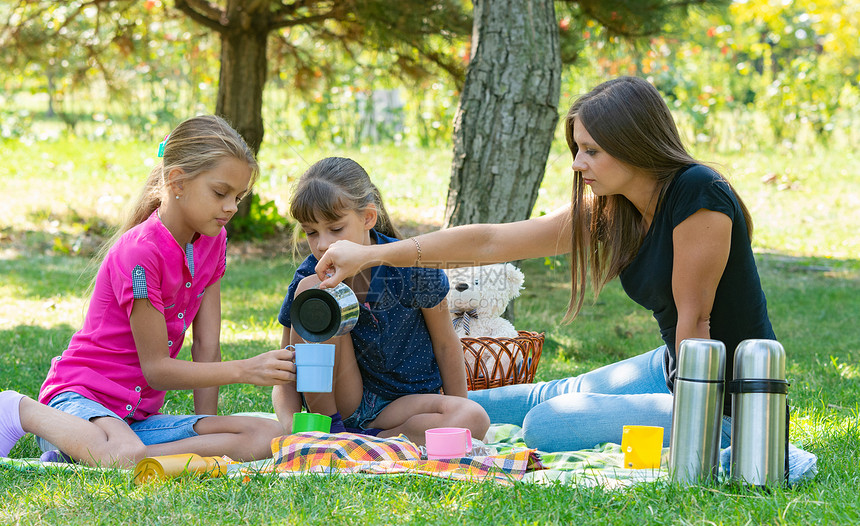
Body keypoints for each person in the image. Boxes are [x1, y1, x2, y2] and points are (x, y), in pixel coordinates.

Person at [312, 77, 777, 453]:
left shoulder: (698, 192)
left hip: (724, 402)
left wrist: (693, 430)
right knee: (484, 406)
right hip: (671, 366)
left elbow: (696, 323)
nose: (578, 163)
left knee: (548, 424)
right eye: (577, 148)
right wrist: (374, 252)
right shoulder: (617, 208)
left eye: (592, 150)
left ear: (634, 143)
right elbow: (494, 241)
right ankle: (370, 432)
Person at [0, 115, 292, 468]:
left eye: (238, 196)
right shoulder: (140, 253)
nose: (231, 207)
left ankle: (87, 453)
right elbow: (157, 370)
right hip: (78, 400)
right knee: (126, 452)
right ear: (177, 182)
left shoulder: (214, 243)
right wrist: (245, 370)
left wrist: (208, 435)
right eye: (220, 193)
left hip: (135, 420)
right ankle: (18, 409)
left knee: (268, 436)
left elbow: (207, 347)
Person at [272, 157, 489, 444]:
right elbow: (287, 363)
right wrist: (292, 426)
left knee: (473, 417)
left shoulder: (413, 266)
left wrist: (459, 415)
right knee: (314, 290)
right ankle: (329, 433)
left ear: (368, 218)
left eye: (335, 229)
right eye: (311, 232)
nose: (322, 244)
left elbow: (446, 345)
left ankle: (368, 440)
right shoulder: (309, 275)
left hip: (404, 405)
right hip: (345, 401)